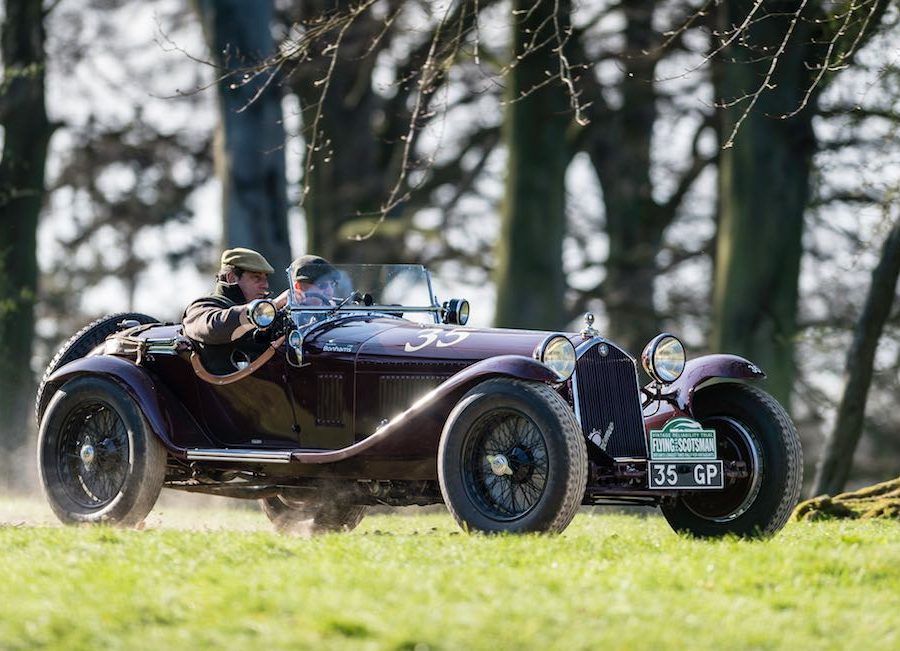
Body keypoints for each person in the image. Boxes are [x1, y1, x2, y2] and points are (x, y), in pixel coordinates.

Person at [182, 247, 288, 347]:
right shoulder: (201, 308)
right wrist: (271, 306)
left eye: (265, 279)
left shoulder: (267, 312)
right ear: (232, 278)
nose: (265, 285)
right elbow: (215, 329)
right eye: (256, 278)